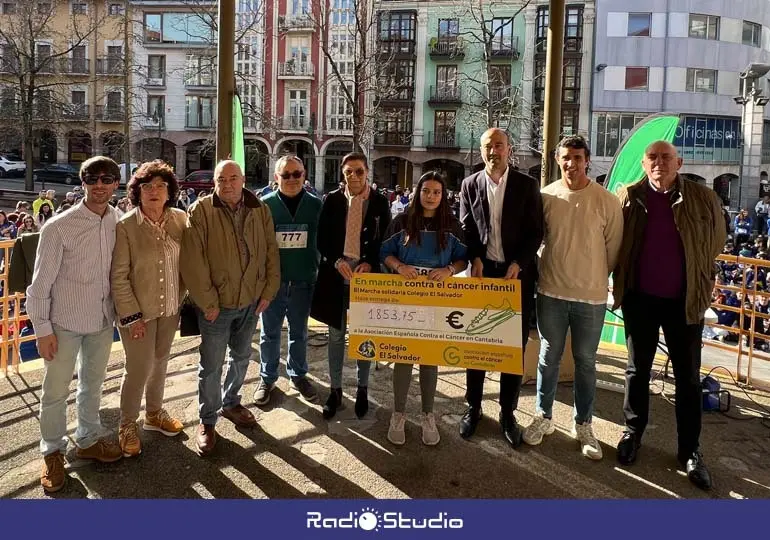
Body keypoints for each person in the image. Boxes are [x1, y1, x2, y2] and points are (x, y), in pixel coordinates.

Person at [612, 140, 726, 491]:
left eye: (666, 157)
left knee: (688, 379)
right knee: (637, 371)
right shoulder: (629, 196)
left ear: (679, 162)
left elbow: (717, 240)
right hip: (640, 299)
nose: (659, 163)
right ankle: (633, 434)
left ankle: (690, 451)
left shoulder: (702, 197)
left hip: (685, 301)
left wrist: (703, 279)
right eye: (653, 158)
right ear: (644, 164)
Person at [522, 135, 623, 460]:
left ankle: (584, 425)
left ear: (587, 160)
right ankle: (543, 416)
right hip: (550, 292)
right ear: (557, 159)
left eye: (577, 157)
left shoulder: (605, 200)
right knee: (547, 359)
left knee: (586, 363)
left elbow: (613, 251)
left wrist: (591, 276)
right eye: (565, 157)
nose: (571, 163)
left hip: (590, 298)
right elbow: (539, 240)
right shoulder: (546, 196)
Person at [27, 156, 123, 493]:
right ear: (82, 183)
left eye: (106, 178)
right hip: (64, 323)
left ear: (116, 183)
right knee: (55, 392)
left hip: (100, 321)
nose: (99, 185)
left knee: (93, 385)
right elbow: (39, 286)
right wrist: (42, 329)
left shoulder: (119, 221)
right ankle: (52, 451)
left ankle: (87, 439)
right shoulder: (58, 226)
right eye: (91, 179)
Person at [181, 160, 280, 456]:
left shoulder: (260, 209)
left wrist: (268, 290)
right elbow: (192, 261)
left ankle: (232, 403)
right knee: (210, 366)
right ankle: (207, 420)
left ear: (243, 179)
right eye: (221, 179)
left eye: (233, 178)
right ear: (214, 181)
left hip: (251, 301)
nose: (227, 184)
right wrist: (207, 302)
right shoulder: (200, 211)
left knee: (241, 356)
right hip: (217, 307)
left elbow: (271, 251)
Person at [458, 127, 544, 448]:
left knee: (511, 348)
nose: (493, 151)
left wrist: (519, 263)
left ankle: (508, 412)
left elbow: (536, 232)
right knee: (477, 343)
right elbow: (466, 227)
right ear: (481, 151)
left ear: (509, 150)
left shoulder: (527, 185)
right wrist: (475, 258)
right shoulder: (470, 185)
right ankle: (473, 406)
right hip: (483, 274)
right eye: (487, 146)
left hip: (515, 275)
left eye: (499, 145)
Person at [380, 171, 468, 446]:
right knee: (404, 357)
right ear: (418, 193)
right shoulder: (402, 221)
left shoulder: (452, 225)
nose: (430, 196)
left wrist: (449, 269)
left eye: (436, 192)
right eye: (426, 191)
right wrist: (399, 266)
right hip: (405, 301)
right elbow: (384, 253)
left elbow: (463, 259)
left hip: (437, 302)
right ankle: (399, 413)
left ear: (443, 196)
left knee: (430, 358)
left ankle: (428, 415)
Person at [111, 160, 188, 457]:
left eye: (160, 186)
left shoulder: (180, 219)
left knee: (161, 362)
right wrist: (131, 317)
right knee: (138, 368)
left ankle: (154, 415)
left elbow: (190, 261)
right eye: (147, 186)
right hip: (138, 314)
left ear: (170, 191)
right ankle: (127, 424)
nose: (154, 191)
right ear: (137, 192)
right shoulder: (126, 226)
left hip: (170, 308)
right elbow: (118, 276)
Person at [310, 152, 391, 420]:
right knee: (335, 336)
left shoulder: (380, 202)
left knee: (363, 335)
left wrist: (369, 261)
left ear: (367, 172)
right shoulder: (332, 200)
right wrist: (335, 261)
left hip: (366, 282)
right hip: (337, 279)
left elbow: (386, 241)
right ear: (342, 175)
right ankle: (335, 390)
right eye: (348, 172)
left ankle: (363, 388)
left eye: (358, 171)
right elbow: (321, 240)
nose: (353, 177)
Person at [254, 155, 322, 406]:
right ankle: (267, 376)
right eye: (286, 175)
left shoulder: (316, 205)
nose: (292, 179)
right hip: (273, 284)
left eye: (297, 174)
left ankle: (298, 374)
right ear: (276, 177)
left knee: (300, 332)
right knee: (269, 333)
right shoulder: (264, 205)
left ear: (304, 176)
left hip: (304, 280)